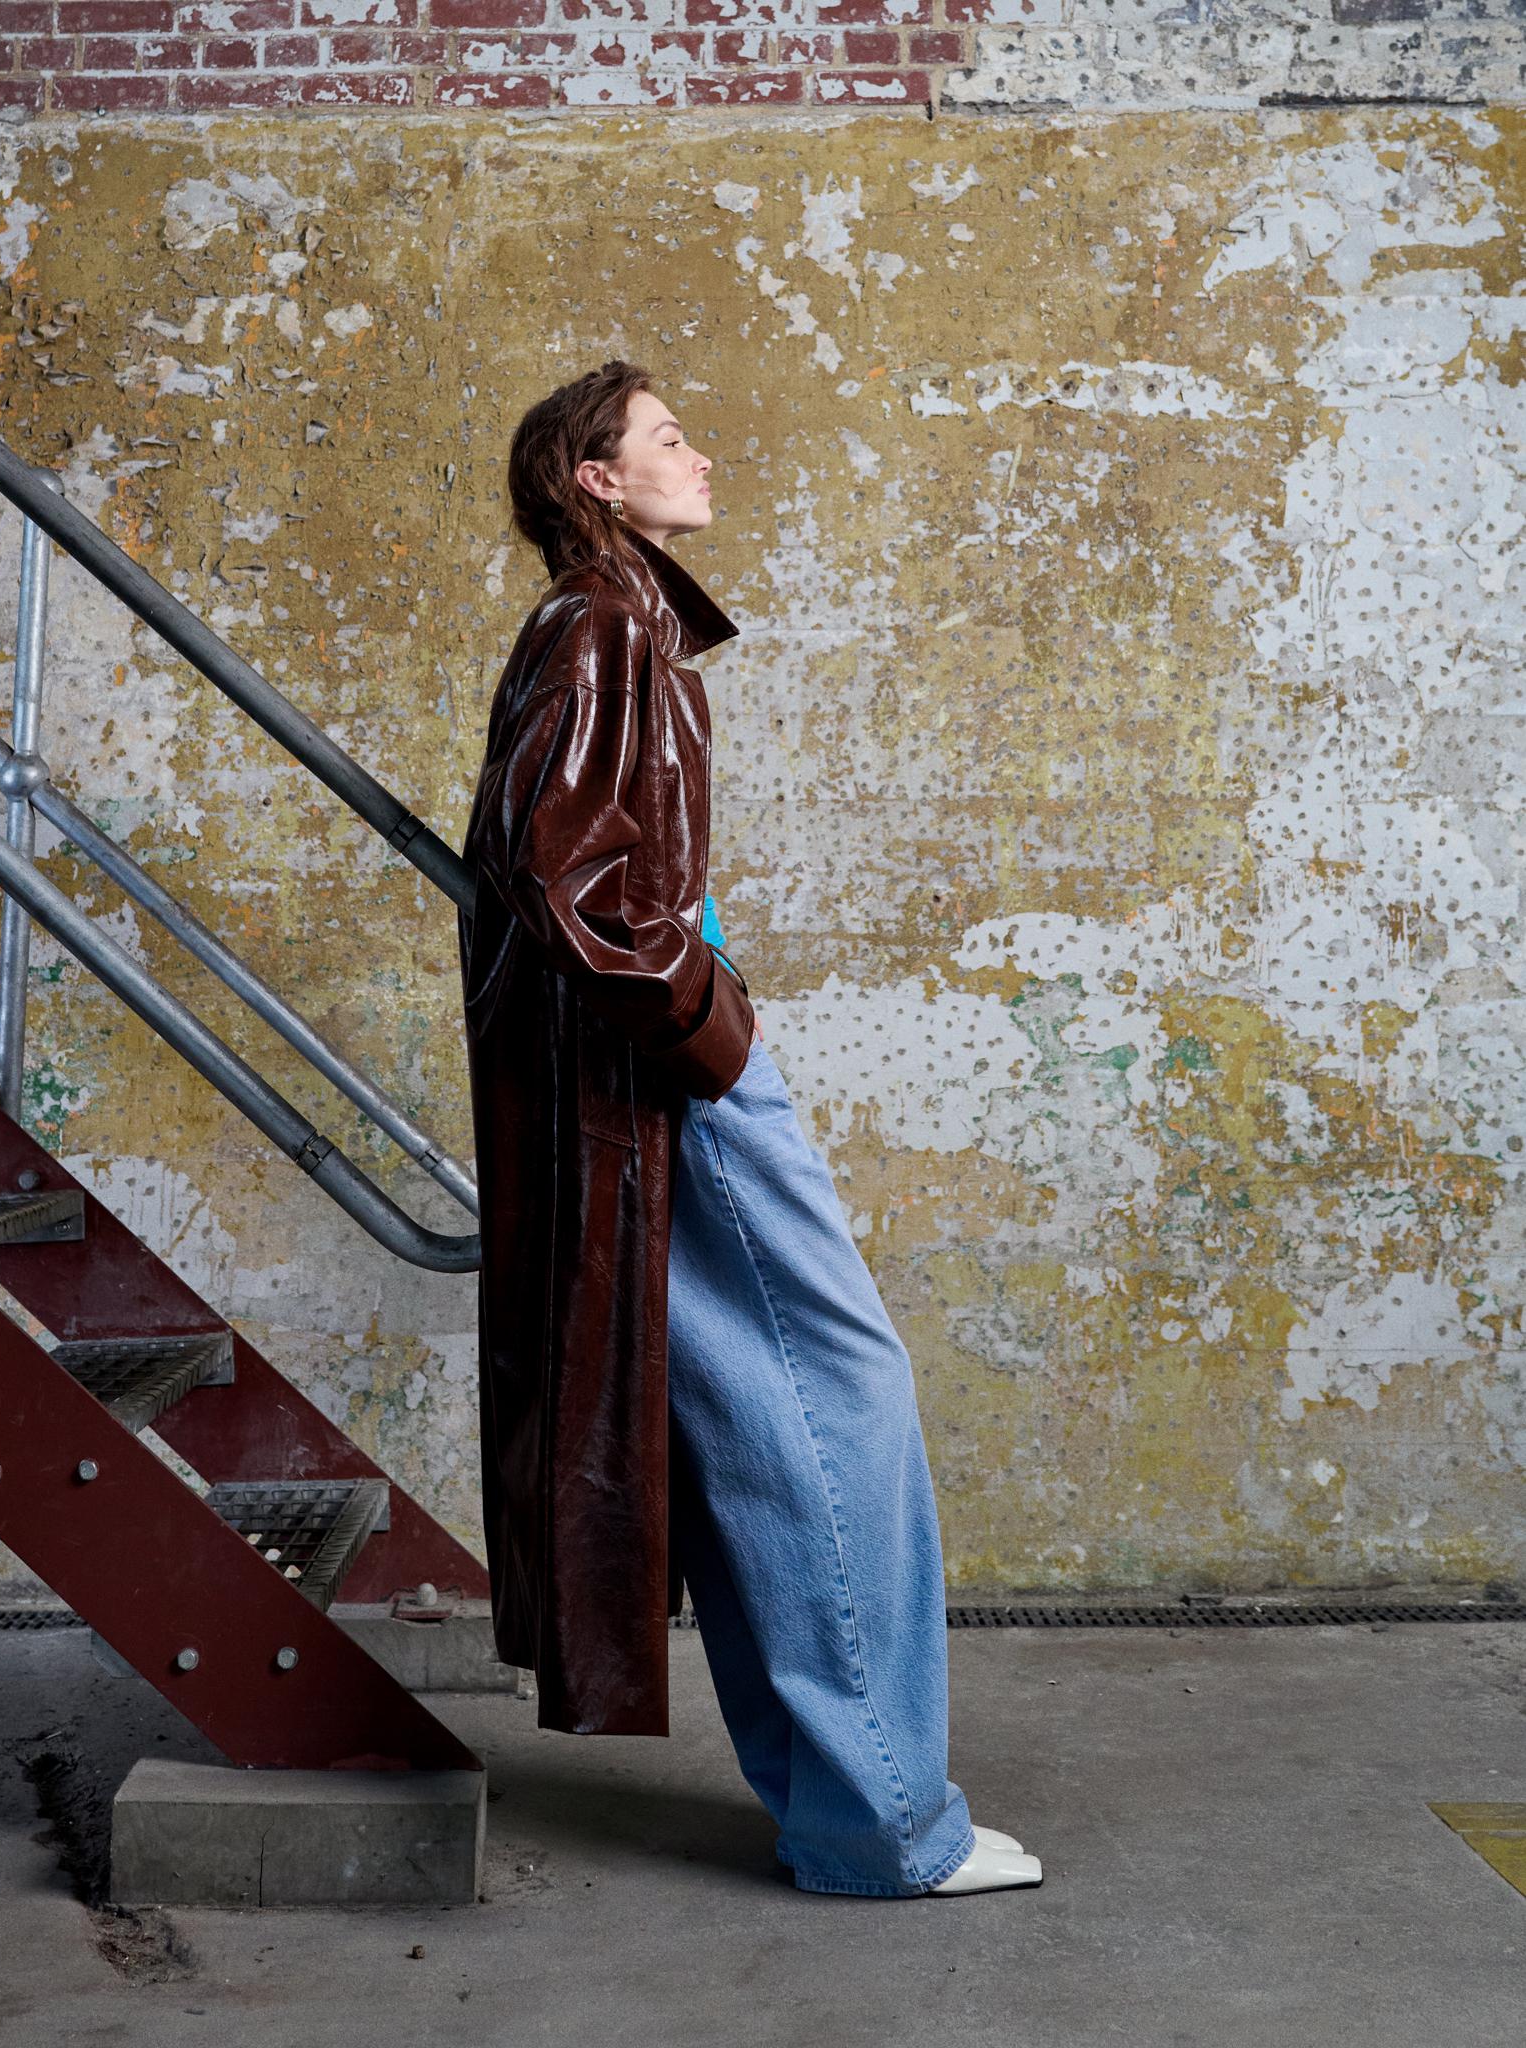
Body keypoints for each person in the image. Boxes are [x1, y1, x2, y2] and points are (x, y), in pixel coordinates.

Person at [458, 359, 1041, 1899]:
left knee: (760, 1424)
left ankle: (849, 1815)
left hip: (645, 1071)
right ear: (595, 477)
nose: (696, 456)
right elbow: (570, 881)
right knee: (833, 1399)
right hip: (666, 1076)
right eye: (664, 439)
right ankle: (878, 1830)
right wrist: (714, 1028)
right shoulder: (598, 623)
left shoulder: (614, 621)